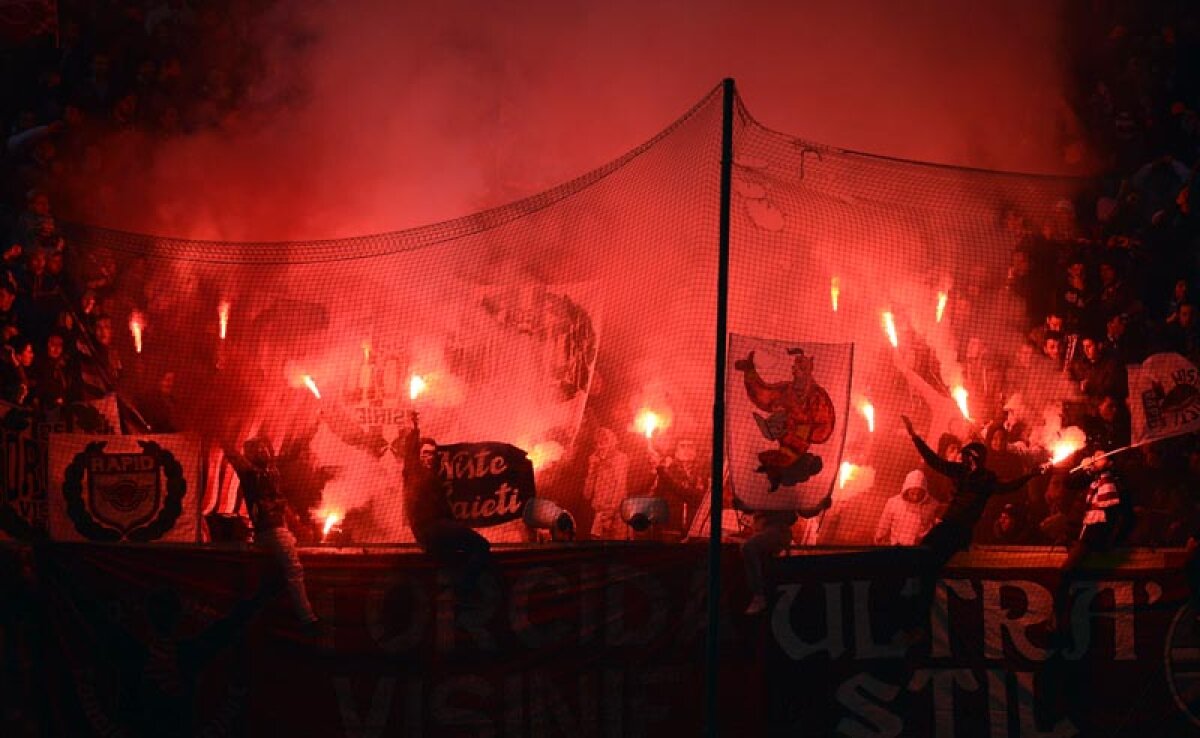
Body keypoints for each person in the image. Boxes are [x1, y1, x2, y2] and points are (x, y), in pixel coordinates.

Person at [901, 414, 1049, 636]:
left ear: (975, 458)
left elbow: (1008, 487)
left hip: (959, 530)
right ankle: (914, 603)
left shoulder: (986, 480)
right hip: (947, 524)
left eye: (966, 456)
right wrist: (914, 436)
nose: (961, 459)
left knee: (931, 561)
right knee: (924, 551)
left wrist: (1031, 475)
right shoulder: (960, 472)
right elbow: (934, 460)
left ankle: (919, 618)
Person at [222, 435, 319, 635]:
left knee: (276, 575)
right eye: (257, 448)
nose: (264, 450)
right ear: (250, 454)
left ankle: (268, 616)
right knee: (294, 569)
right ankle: (307, 619)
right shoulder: (250, 473)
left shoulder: (272, 472)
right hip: (270, 531)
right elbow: (233, 455)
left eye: (264, 447)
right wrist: (220, 434)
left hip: (277, 531)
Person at [402, 410, 491, 604]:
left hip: (436, 531)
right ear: (418, 456)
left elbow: (445, 511)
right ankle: (463, 591)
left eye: (433, 454)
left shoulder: (436, 480)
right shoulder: (413, 472)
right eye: (425, 453)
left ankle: (454, 593)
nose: (429, 458)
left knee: (458, 558)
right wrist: (414, 427)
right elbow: (409, 452)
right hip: (429, 529)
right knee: (482, 546)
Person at [741, 508, 798, 615]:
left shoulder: (787, 494)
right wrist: (740, 502)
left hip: (778, 531)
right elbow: (749, 506)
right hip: (763, 531)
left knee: (749, 547)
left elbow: (806, 510)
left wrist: (821, 503)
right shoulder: (761, 493)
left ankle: (759, 595)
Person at [582, 427, 629, 539]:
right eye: (598, 443)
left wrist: (611, 512)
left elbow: (620, 487)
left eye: (604, 441)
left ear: (613, 442)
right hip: (600, 513)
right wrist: (592, 470)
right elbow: (587, 494)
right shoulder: (596, 460)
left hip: (616, 514)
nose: (600, 446)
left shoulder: (620, 459)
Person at [874, 469, 937, 547]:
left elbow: (937, 527)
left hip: (920, 549)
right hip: (897, 548)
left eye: (919, 494)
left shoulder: (932, 504)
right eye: (912, 493)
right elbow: (884, 523)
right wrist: (879, 537)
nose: (915, 497)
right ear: (907, 490)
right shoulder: (894, 502)